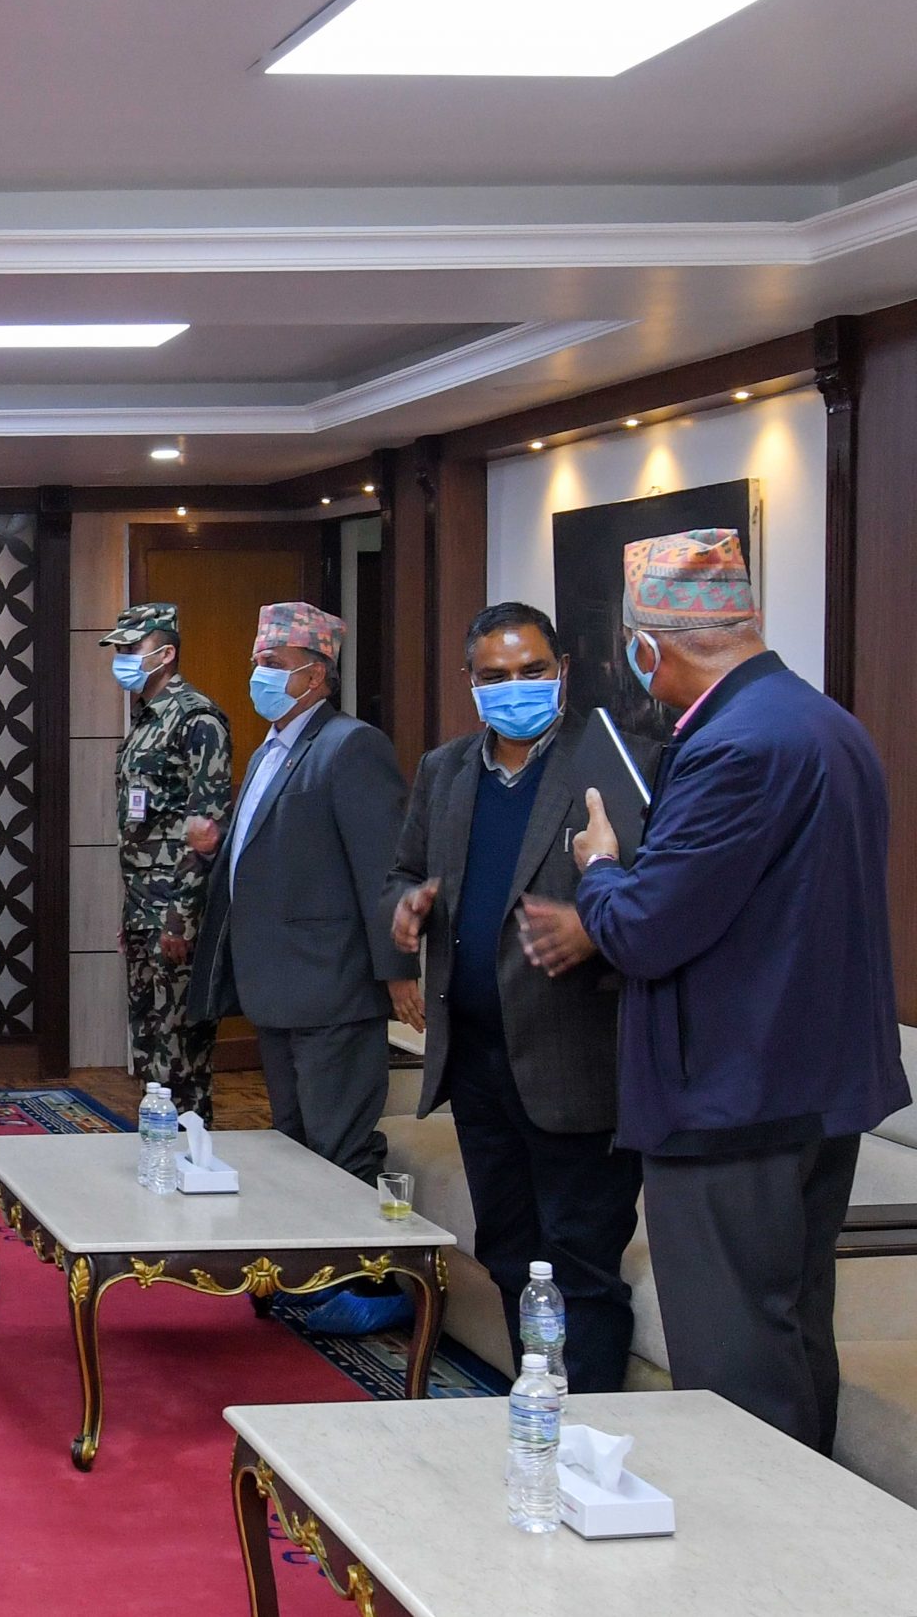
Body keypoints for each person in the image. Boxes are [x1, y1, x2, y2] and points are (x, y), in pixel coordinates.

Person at [574, 530, 903, 1450]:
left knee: (736, 1374)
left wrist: (600, 867)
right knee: (792, 1333)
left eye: (633, 648)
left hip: (732, 1097)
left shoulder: (734, 747)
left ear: (653, 645)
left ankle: (756, 1534)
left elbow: (643, 929)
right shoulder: (826, 722)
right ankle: (811, 1525)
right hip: (809, 1088)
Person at [384, 602, 650, 1391]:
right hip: (475, 1060)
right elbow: (404, 869)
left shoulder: (614, 762)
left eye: (532, 670)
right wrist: (406, 905)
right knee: (508, 1249)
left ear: (562, 670)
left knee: (579, 1262)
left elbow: (658, 896)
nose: (515, 687)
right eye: (495, 675)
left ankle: (591, 1425)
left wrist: (595, 926)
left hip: (576, 1063)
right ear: (470, 682)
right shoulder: (445, 770)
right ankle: (535, 1399)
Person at [188, 602, 416, 1333]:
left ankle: (367, 1288)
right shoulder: (269, 750)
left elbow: (383, 868)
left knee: (341, 1145)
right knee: (293, 1143)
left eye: (272, 664)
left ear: (314, 675)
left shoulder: (351, 747)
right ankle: (306, 1275)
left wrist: (398, 971)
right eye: (258, 661)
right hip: (278, 984)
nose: (257, 674)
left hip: (334, 984)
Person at [101, 602, 233, 1123]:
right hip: (143, 911)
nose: (122, 659)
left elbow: (206, 831)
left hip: (177, 914)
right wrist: (132, 915)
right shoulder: (144, 721)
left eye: (131, 649)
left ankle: (189, 1147)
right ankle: (156, 1146)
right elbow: (142, 832)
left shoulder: (197, 720)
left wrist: (180, 917)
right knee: (150, 1041)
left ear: (165, 653)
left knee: (180, 1050)